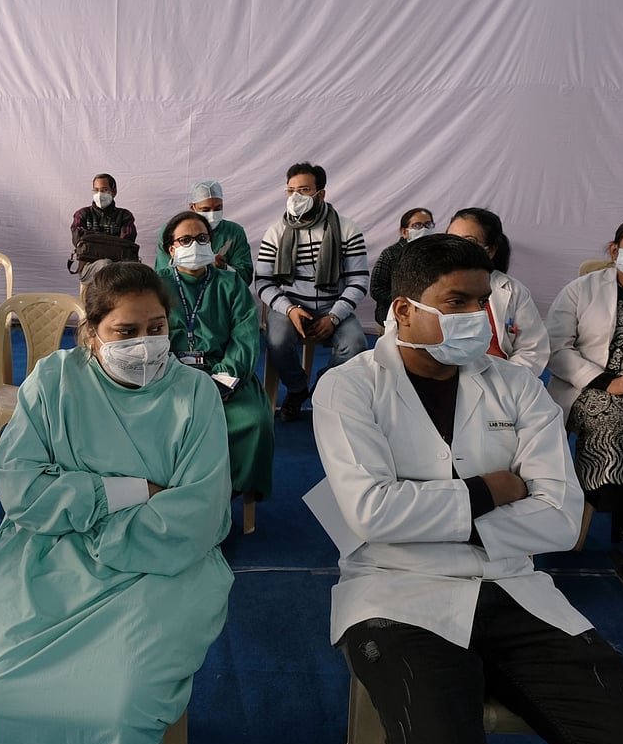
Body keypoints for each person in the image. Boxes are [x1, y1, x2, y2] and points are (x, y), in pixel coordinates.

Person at [312, 233, 623, 744]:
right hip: (397, 595)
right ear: (403, 310)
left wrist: (425, 515)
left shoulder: (517, 386)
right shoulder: (350, 386)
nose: (479, 316)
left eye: (482, 301)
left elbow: (562, 520)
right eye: (457, 302)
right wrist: (495, 488)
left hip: (513, 589)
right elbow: (372, 514)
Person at [0, 262, 233, 744]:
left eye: (157, 329)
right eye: (126, 331)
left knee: (120, 705)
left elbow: (199, 510)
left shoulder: (195, 393)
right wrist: (126, 491)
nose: (146, 344)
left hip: (159, 569)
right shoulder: (53, 381)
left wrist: (91, 523)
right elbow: (20, 484)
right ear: (91, 334)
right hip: (45, 561)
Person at [546, 214, 623, 593]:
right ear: (615, 250)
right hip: (597, 387)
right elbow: (555, 349)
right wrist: (608, 381)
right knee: (619, 425)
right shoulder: (581, 290)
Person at [157, 211, 273, 500]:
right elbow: (146, 336)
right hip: (167, 376)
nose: (194, 245)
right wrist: (171, 377)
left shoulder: (231, 284)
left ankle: (228, 493)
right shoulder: (154, 285)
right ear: (171, 249)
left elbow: (245, 340)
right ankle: (170, 493)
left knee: (254, 420)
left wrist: (220, 381)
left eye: (202, 238)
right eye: (185, 239)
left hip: (223, 377)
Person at [254, 161, 370, 421]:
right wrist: (290, 309)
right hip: (291, 306)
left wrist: (335, 316)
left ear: (321, 194)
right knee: (277, 341)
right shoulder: (276, 232)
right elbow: (263, 281)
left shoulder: (347, 229)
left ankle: (323, 386)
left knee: (356, 344)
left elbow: (359, 280)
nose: (296, 197)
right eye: (290, 190)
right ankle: (297, 389)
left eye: (304, 190)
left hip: (333, 306)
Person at [446, 207, 549, 376]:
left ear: (491, 250)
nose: (458, 248)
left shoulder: (514, 291)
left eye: (469, 241)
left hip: (501, 378)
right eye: (451, 240)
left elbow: (532, 349)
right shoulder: (423, 282)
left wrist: (502, 382)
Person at [155, 180, 254, 284]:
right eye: (205, 210)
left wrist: (224, 267)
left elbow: (245, 277)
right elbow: (162, 276)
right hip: (179, 291)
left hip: (221, 292)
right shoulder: (173, 229)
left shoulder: (234, 232)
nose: (212, 215)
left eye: (217, 208)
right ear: (192, 207)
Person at [369, 207, 434, 327]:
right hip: (394, 317)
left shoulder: (439, 254)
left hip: (429, 317)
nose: (424, 229)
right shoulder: (390, 255)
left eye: (428, 225)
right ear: (404, 232)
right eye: (417, 226)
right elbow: (376, 289)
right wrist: (406, 302)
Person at [69, 173, 139, 283]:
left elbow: (126, 244)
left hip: (120, 268)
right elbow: (78, 241)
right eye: (96, 190)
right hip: (89, 267)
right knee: (105, 264)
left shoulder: (124, 216)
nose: (99, 194)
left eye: (104, 189)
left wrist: (93, 240)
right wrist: (112, 243)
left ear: (114, 192)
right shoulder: (82, 214)